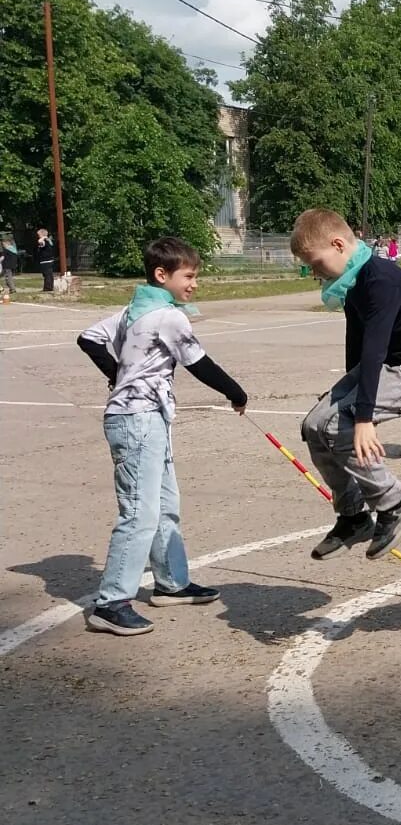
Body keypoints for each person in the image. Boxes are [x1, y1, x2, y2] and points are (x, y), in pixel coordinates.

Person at [75, 237, 249, 635]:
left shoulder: (137, 308)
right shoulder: (168, 317)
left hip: (151, 418)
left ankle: (171, 583)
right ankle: (112, 602)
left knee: (165, 503)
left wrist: (117, 372)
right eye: (188, 276)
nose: (194, 284)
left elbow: (89, 337)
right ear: (161, 275)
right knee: (140, 512)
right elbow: (199, 363)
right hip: (135, 419)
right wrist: (235, 393)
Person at [292, 209, 401, 562]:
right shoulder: (353, 281)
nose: (313, 273)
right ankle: (353, 517)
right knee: (314, 425)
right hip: (383, 370)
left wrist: (363, 417)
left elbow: (375, 349)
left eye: (315, 263)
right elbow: (357, 344)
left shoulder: (380, 280)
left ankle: (396, 503)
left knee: (338, 427)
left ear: (338, 244)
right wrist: (343, 391)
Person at [37, 228, 55, 293]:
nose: (38, 236)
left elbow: (40, 242)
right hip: (50, 260)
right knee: (49, 274)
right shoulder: (49, 241)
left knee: (47, 275)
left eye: (39, 235)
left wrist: (43, 237)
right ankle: (49, 287)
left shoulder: (44, 241)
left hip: (45, 261)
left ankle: (47, 288)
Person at [1, 234, 17, 299]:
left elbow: (2, 257)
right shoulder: (13, 249)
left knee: (8, 278)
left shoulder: (6, 250)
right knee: (9, 277)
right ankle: (11, 289)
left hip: (7, 266)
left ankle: (12, 289)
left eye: (3, 244)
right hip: (12, 266)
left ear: (6, 243)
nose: (3, 246)